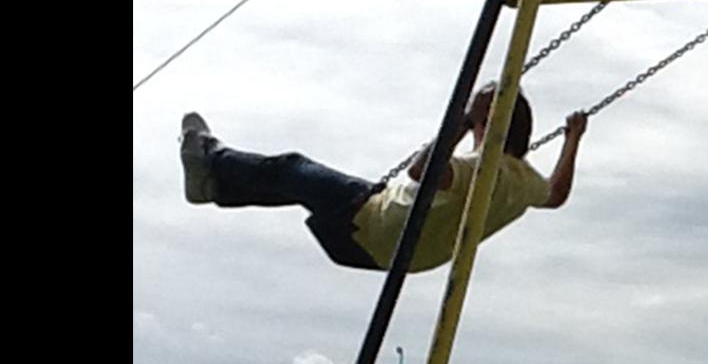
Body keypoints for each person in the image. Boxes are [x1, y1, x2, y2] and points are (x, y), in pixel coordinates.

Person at [177, 81, 587, 273]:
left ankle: (210, 157)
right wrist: (573, 139)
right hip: (401, 251)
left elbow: (422, 171)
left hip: (374, 228)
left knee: (290, 168)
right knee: (298, 188)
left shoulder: (478, 168)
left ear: (487, 124)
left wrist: (459, 122)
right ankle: (212, 187)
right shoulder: (524, 179)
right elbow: (556, 195)